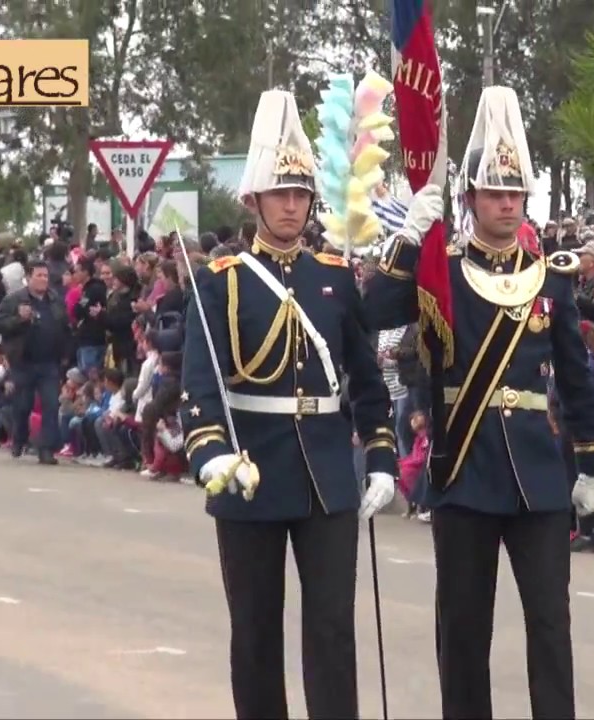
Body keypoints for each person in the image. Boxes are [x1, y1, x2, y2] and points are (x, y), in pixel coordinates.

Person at [368, 86, 594, 719]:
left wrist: (592, 460)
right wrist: (410, 239)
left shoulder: (550, 276)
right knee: (465, 631)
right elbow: (375, 312)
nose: (506, 204)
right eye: (495, 193)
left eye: (515, 194)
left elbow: (577, 375)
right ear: (469, 198)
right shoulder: (440, 267)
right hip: (464, 471)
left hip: (536, 474)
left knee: (551, 628)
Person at [179, 89, 397, 720]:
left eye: (301, 194)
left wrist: (381, 455)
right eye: (280, 194)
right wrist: (211, 454)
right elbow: (200, 382)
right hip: (250, 469)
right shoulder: (222, 282)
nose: (293, 205)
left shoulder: (331, 277)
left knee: (332, 628)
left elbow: (365, 378)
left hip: (327, 473)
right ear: (253, 200)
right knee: (255, 633)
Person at [0, 261, 71, 465]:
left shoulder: (55, 300)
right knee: (23, 404)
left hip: (49, 363)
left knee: (51, 405)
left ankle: (46, 450)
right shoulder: (14, 300)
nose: (43, 280)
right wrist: (19, 319)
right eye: (39, 275)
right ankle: (19, 438)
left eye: (46, 276)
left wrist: (65, 354)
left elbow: (64, 327)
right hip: (23, 361)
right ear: (28, 278)